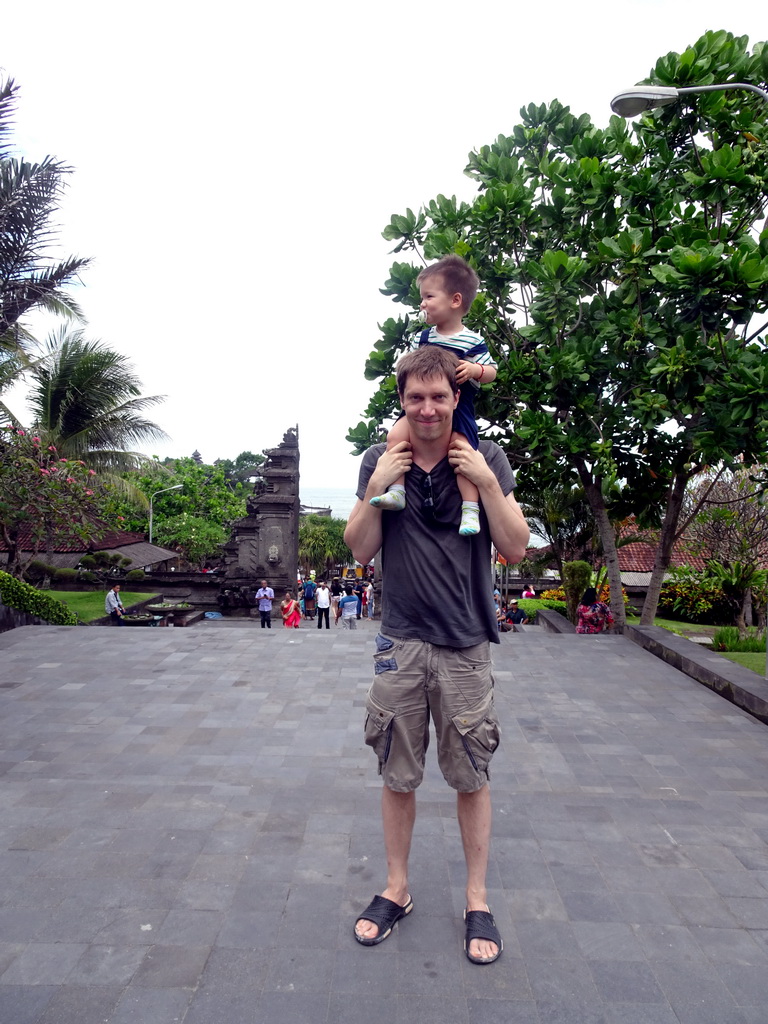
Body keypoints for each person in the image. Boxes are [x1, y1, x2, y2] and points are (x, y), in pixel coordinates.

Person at [345, 344, 529, 965]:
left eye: (439, 397)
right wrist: (376, 487)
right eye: (416, 397)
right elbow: (360, 550)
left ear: (456, 398)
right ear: (402, 400)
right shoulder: (382, 457)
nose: (428, 408)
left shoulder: (487, 457)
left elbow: (516, 546)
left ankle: (477, 898)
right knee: (398, 775)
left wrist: (484, 483)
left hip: (466, 643)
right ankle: (396, 888)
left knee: (470, 776)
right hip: (400, 642)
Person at [369, 255, 498, 537]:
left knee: (462, 453)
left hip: (459, 405)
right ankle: (397, 490)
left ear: (455, 300)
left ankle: (470, 509)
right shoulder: (423, 337)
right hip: (428, 399)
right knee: (395, 437)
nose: (422, 303)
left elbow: (492, 371)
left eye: (428, 296)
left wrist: (476, 369)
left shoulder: (472, 340)